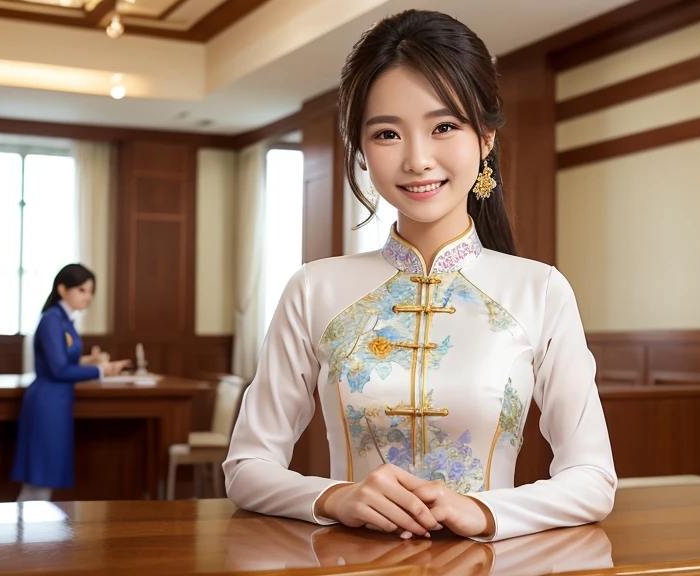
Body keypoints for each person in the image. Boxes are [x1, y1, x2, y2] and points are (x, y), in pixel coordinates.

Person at [224, 9, 616, 542]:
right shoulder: (313, 289)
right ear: (360, 150)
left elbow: (592, 479)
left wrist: (484, 511)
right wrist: (338, 497)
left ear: (486, 139)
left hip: (487, 561)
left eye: (444, 127)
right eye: (387, 133)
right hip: (350, 560)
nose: (417, 159)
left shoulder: (540, 290)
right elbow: (247, 467)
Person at [12, 263, 130, 502]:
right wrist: (101, 370)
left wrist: (90, 360)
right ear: (63, 289)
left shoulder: (65, 321)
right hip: (47, 403)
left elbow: (62, 358)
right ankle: (26, 537)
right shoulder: (52, 320)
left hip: (58, 402)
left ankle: (34, 536)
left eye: (91, 291)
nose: (88, 297)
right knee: (40, 477)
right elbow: (58, 369)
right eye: (82, 290)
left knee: (47, 474)